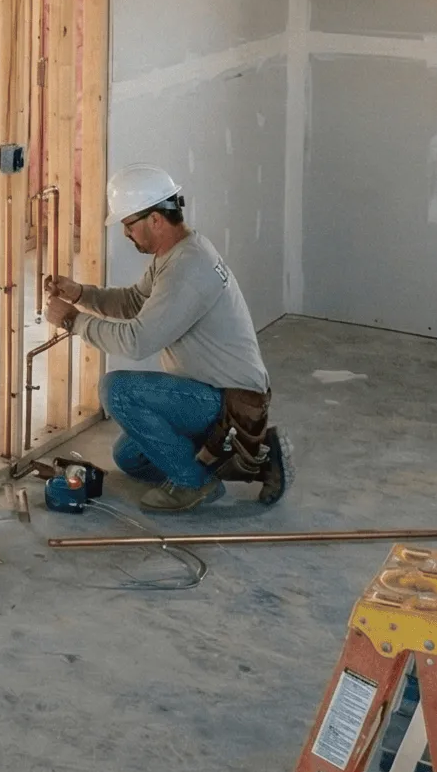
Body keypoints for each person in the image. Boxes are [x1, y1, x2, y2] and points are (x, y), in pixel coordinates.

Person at [44, 164, 284, 513]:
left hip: (230, 402)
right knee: (129, 457)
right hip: (210, 393)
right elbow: (133, 302)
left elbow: (138, 342)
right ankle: (254, 458)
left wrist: (72, 321)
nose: (126, 234)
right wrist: (81, 294)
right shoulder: (176, 255)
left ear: (155, 219)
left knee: (118, 390)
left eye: (129, 225)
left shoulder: (189, 269)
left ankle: (195, 483)